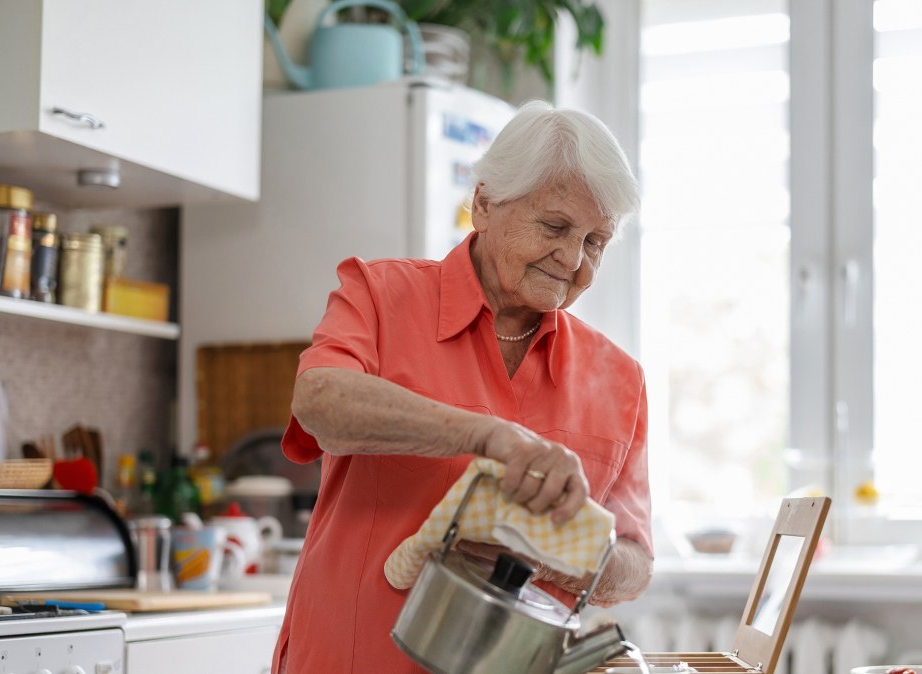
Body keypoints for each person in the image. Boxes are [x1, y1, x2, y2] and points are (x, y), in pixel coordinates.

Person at [272, 100, 653, 674]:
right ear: (483, 203)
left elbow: (634, 563)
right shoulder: (379, 294)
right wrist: (491, 437)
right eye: (555, 226)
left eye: (595, 242)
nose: (573, 259)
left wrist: (546, 555)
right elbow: (321, 402)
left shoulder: (621, 379)